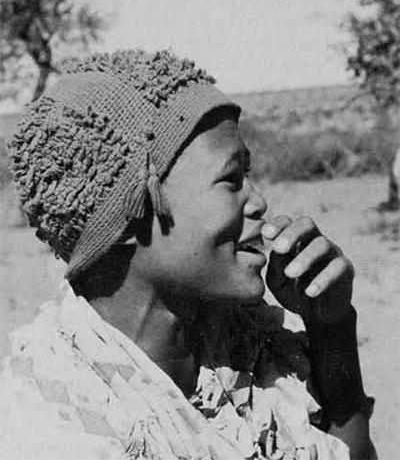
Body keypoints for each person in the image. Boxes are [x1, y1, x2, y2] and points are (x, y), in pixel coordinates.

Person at [0, 49, 375, 459]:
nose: (259, 203)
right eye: (231, 179)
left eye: (247, 175)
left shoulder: (241, 341)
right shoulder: (58, 428)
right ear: (129, 215)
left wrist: (331, 327)